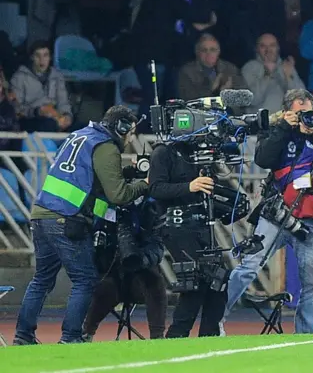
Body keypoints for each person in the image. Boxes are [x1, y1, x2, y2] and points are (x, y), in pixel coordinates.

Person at [13, 106, 148, 345]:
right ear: (121, 127)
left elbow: (86, 176)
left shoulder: (81, 135)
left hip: (41, 213)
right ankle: (71, 337)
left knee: (42, 279)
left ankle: (23, 336)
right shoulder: (106, 146)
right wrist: (145, 183)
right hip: (66, 217)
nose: (131, 138)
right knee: (85, 279)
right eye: (131, 131)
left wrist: (126, 171)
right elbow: (118, 195)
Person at [225, 89, 313, 334]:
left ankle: (305, 338)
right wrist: (283, 129)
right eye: (298, 114)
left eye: (307, 112)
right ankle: (214, 320)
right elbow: (264, 160)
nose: (303, 118)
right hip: (276, 213)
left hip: (310, 219)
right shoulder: (275, 128)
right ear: (288, 111)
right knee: (248, 267)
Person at [147, 139, 225, 338]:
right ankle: (176, 335)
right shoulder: (163, 152)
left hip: (201, 222)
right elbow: (155, 188)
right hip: (175, 225)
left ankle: (210, 336)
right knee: (194, 279)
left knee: (219, 278)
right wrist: (190, 186)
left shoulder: (201, 153)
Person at [82, 197, 167, 341]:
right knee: (106, 287)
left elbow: (157, 246)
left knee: (154, 280)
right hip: (108, 269)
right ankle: (86, 332)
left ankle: (157, 336)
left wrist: (141, 259)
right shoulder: (101, 202)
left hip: (139, 271)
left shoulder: (151, 207)